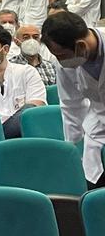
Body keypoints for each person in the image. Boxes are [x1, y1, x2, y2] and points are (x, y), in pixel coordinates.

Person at [41, 11, 105, 188]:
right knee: (94, 189)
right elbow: (71, 104)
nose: (60, 61)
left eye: (62, 55)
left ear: (81, 46)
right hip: (98, 129)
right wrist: (73, 145)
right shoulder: (66, 63)